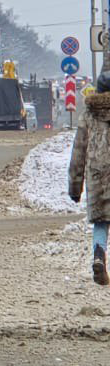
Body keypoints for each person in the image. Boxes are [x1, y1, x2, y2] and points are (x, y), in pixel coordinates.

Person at [68, 69, 110, 285]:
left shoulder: (89, 115)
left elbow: (78, 152)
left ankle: (99, 254)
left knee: (101, 222)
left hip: (98, 177)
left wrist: (75, 187)